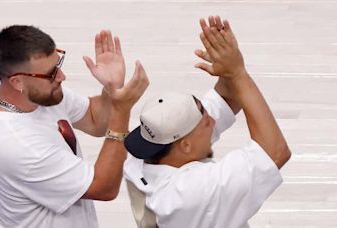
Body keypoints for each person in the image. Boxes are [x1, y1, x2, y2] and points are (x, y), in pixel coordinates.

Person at [123, 15, 291, 228]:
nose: (212, 120)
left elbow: (226, 99)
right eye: (205, 122)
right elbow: (275, 151)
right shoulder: (190, 193)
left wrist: (227, 64)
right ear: (185, 144)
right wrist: (237, 73)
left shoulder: (145, 155)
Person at [0, 25, 149, 227]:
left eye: (58, 63)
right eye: (51, 73)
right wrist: (121, 111)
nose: (61, 76)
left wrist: (111, 89)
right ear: (17, 82)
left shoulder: (28, 95)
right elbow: (104, 187)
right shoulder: (21, 147)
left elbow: (95, 119)